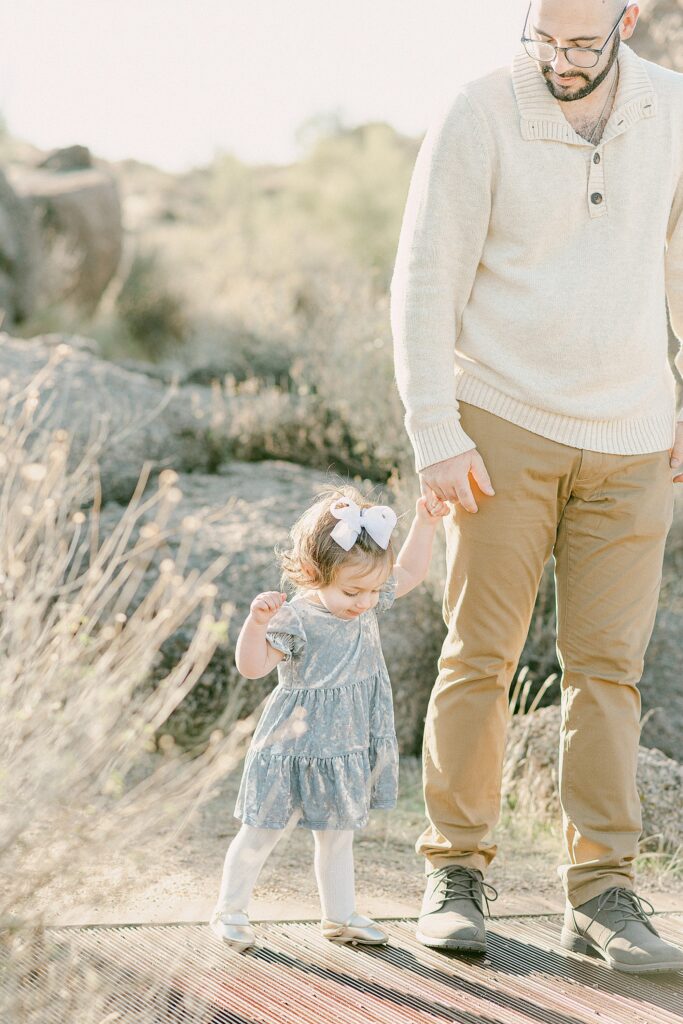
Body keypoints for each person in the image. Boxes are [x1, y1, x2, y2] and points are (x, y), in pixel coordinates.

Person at [390, 0, 683, 973]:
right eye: (541, 40)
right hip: (500, 422)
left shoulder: (672, 112)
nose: (557, 60)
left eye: (577, 42)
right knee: (480, 652)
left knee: (608, 670)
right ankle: (454, 871)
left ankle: (599, 890)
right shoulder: (476, 112)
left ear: (626, 20)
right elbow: (423, 277)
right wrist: (435, 430)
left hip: (633, 436)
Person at [208, 483, 448, 951]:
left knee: (338, 838)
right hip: (292, 747)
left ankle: (340, 916)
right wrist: (255, 624)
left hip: (344, 746)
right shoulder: (296, 617)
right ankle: (229, 911)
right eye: (354, 590)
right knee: (261, 831)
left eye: (375, 589)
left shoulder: (365, 600)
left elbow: (414, 569)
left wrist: (426, 520)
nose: (366, 601)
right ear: (316, 572)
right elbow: (252, 667)